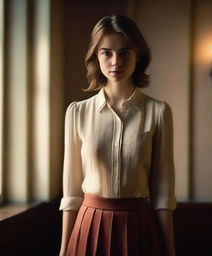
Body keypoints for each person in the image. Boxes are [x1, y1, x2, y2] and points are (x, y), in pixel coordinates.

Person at [59, 15, 176, 256]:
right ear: (96, 56)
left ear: (139, 55)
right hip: (88, 227)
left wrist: (171, 251)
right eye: (106, 53)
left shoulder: (158, 111)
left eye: (125, 52)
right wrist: (63, 251)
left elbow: (163, 195)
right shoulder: (77, 112)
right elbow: (71, 195)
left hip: (139, 228)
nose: (116, 62)